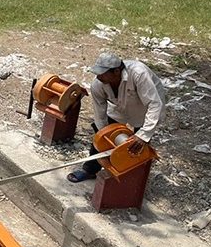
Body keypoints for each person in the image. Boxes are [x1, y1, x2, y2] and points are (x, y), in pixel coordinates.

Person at [67, 53, 167, 182]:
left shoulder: (138, 74)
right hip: (119, 106)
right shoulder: (98, 84)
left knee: (138, 146)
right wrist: (104, 135)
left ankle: (133, 178)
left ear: (116, 71)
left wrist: (143, 135)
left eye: (102, 73)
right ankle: (90, 170)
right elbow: (99, 113)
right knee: (101, 135)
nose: (98, 76)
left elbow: (154, 104)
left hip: (145, 106)